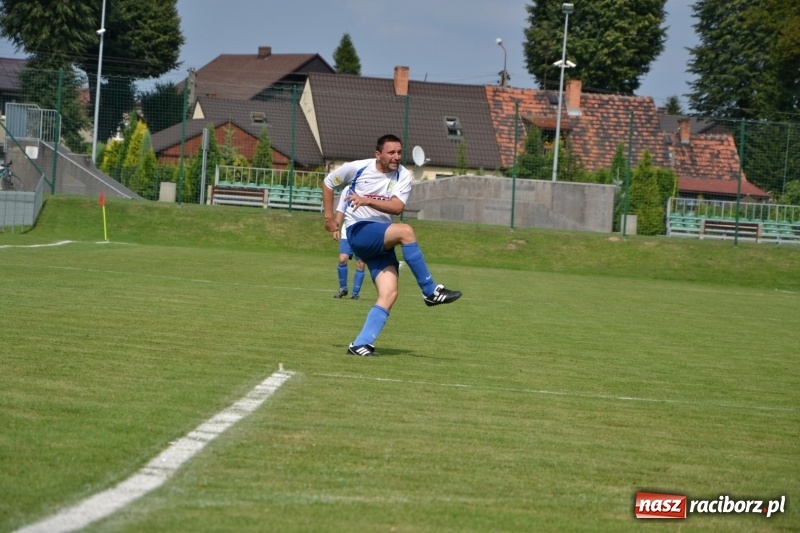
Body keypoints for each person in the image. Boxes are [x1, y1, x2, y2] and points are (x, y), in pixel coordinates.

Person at [322, 134, 462, 356]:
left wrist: (367, 200)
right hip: (360, 231)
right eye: (391, 152)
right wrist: (330, 218)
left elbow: (397, 207)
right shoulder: (357, 168)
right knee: (405, 231)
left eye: (399, 152)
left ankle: (360, 344)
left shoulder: (403, 175)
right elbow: (329, 182)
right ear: (378, 154)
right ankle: (429, 290)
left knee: (389, 293)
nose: (396, 157)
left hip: (381, 237)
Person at [333, 187, 366, 300]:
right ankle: (343, 289)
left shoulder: (370, 188)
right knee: (342, 259)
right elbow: (341, 209)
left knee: (361, 262)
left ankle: (355, 293)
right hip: (347, 229)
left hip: (363, 231)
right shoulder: (347, 190)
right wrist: (336, 228)